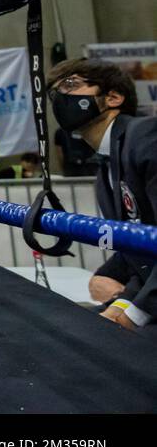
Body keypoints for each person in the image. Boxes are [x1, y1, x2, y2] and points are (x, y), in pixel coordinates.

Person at [47, 58, 156, 331]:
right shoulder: (105, 169)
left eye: (71, 85)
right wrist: (121, 305)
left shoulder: (145, 136)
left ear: (113, 98)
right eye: (55, 91)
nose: (60, 96)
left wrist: (134, 313)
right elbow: (141, 260)